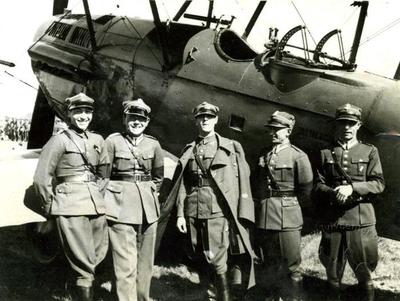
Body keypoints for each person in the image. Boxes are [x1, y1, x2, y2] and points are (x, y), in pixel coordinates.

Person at [165, 102, 255, 301]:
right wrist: (180, 214)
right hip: (194, 209)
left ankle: (224, 298)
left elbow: (241, 180)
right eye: (201, 117)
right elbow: (183, 185)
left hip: (217, 210)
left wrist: (239, 211)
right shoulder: (189, 149)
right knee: (198, 256)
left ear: (215, 120)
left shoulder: (229, 147)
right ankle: (207, 296)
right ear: (196, 120)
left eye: (209, 117)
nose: (205, 120)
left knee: (218, 259)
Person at [33, 93, 110, 301]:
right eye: (78, 112)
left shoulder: (98, 140)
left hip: (95, 206)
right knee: (84, 262)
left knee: (96, 255)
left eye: (87, 112)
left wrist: (96, 195)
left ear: (92, 115)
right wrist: (52, 207)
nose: (83, 116)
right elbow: (42, 178)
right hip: (69, 205)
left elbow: (104, 175)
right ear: (69, 114)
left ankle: (72, 287)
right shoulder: (58, 141)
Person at [314, 103, 385, 301]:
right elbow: (318, 185)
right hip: (334, 220)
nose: (346, 127)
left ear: (358, 126)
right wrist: (333, 192)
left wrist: (352, 188)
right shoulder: (326, 153)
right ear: (336, 125)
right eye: (342, 123)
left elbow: (378, 184)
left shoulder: (369, 151)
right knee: (332, 272)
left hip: (360, 220)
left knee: (364, 272)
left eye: (351, 123)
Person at [104, 98, 164, 301]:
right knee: (125, 264)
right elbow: (103, 175)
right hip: (121, 208)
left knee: (145, 262)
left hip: (148, 208)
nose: (136, 122)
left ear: (146, 122)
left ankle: (141, 298)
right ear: (125, 119)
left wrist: (150, 192)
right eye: (132, 118)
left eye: (141, 119)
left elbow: (158, 177)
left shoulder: (154, 144)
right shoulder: (112, 141)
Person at [254, 111, 313, 301]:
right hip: (265, 215)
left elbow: (305, 189)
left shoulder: (298, 156)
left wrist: (291, 208)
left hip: (288, 217)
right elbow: (257, 182)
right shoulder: (264, 154)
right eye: (271, 129)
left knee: (291, 265)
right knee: (268, 263)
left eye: (277, 130)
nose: (272, 133)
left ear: (287, 131)